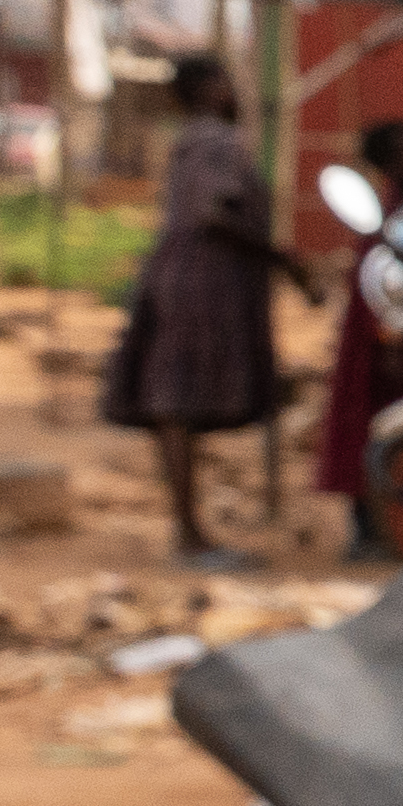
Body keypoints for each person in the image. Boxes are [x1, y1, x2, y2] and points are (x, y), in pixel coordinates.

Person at [101, 56, 284, 569]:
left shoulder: (190, 140)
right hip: (204, 287)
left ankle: (189, 530)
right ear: (209, 88)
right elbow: (211, 212)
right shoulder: (216, 142)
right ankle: (189, 536)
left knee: (174, 402)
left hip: (180, 280)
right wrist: (281, 259)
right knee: (178, 402)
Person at [312, 114, 403, 559]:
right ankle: (369, 531)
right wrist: (388, 342)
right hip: (384, 342)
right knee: (377, 424)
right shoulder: (391, 214)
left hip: (402, 341)